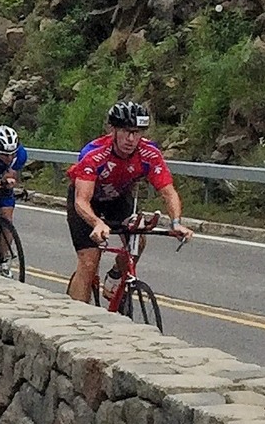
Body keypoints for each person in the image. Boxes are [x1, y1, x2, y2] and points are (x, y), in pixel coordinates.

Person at [66, 101, 190, 302]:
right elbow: (81, 201)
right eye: (126, 131)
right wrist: (97, 223)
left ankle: (116, 275)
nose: (131, 139)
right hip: (88, 202)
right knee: (89, 261)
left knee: (137, 242)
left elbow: (168, 192)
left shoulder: (149, 154)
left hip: (118, 197)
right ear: (113, 130)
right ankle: (74, 316)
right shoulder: (94, 154)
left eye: (137, 132)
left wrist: (176, 222)